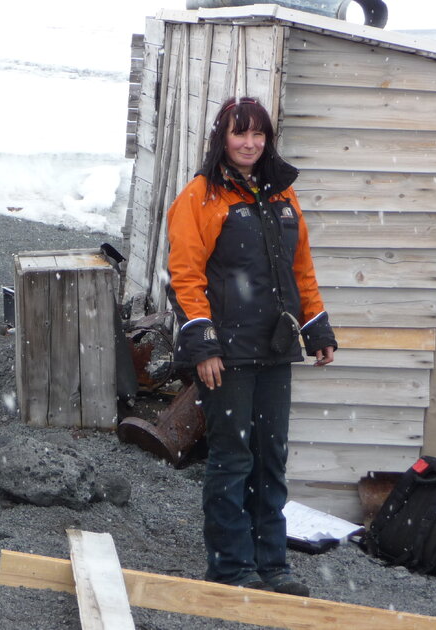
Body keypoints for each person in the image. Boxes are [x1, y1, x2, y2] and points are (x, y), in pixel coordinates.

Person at [166, 97, 336, 595]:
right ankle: (229, 569)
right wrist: (205, 346)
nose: (250, 143)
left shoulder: (282, 193)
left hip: (274, 349)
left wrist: (317, 329)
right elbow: (185, 276)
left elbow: (300, 268)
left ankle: (272, 565)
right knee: (232, 458)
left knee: (271, 456)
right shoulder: (201, 195)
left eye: (258, 134)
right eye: (240, 133)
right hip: (228, 355)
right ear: (223, 137)